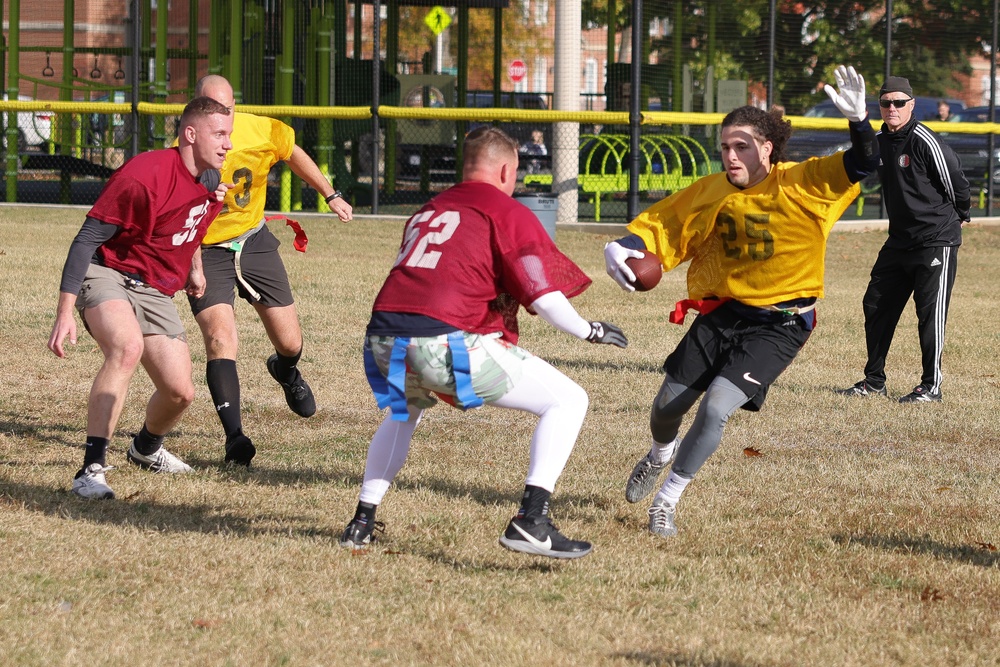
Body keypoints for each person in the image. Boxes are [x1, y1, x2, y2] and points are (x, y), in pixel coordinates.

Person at [603, 65, 879, 538]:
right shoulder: (710, 191)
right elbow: (662, 225)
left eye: (742, 146)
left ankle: (666, 500)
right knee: (667, 408)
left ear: (767, 148)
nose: (730, 156)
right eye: (725, 147)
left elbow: (864, 163)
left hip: (781, 323)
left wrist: (859, 122)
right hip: (724, 312)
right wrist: (622, 245)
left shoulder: (803, 182)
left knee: (715, 409)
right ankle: (657, 455)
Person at [341, 126, 628, 559]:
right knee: (569, 400)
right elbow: (544, 297)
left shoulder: (430, 208)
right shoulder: (504, 209)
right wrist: (589, 330)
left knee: (404, 413)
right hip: (442, 341)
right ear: (507, 169)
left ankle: (361, 522)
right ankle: (532, 520)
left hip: (383, 340)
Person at [47, 97, 234, 499]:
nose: (227, 144)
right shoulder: (144, 175)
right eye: (219, 134)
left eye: (228, 134)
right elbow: (85, 241)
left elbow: (191, 224)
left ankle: (145, 449)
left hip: (155, 288)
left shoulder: (209, 178)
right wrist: (63, 312)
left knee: (180, 392)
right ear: (189, 134)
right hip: (107, 272)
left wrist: (194, 269)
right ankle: (90, 469)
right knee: (126, 347)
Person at [188, 75, 354, 467]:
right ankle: (235, 440)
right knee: (220, 340)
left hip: (253, 240)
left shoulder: (260, 129)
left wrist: (329, 194)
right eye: (211, 111)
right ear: (195, 111)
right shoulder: (185, 148)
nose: (221, 121)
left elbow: (291, 151)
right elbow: (177, 214)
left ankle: (286, 370)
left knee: (291, 342)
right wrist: (191, 264)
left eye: (226, 111)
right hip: (209, 250)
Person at [836, 76, 970, 403]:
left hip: (935, 239)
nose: (892, 108)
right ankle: (874, 381)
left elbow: (956, 181)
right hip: (899, 241)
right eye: (886, 103)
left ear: (911, 105)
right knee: (876, 303)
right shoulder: (879, 139)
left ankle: (931, 386)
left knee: (929, 313)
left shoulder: (925, 140)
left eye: (899, 102)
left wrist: (960, 216)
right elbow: (854, 162)